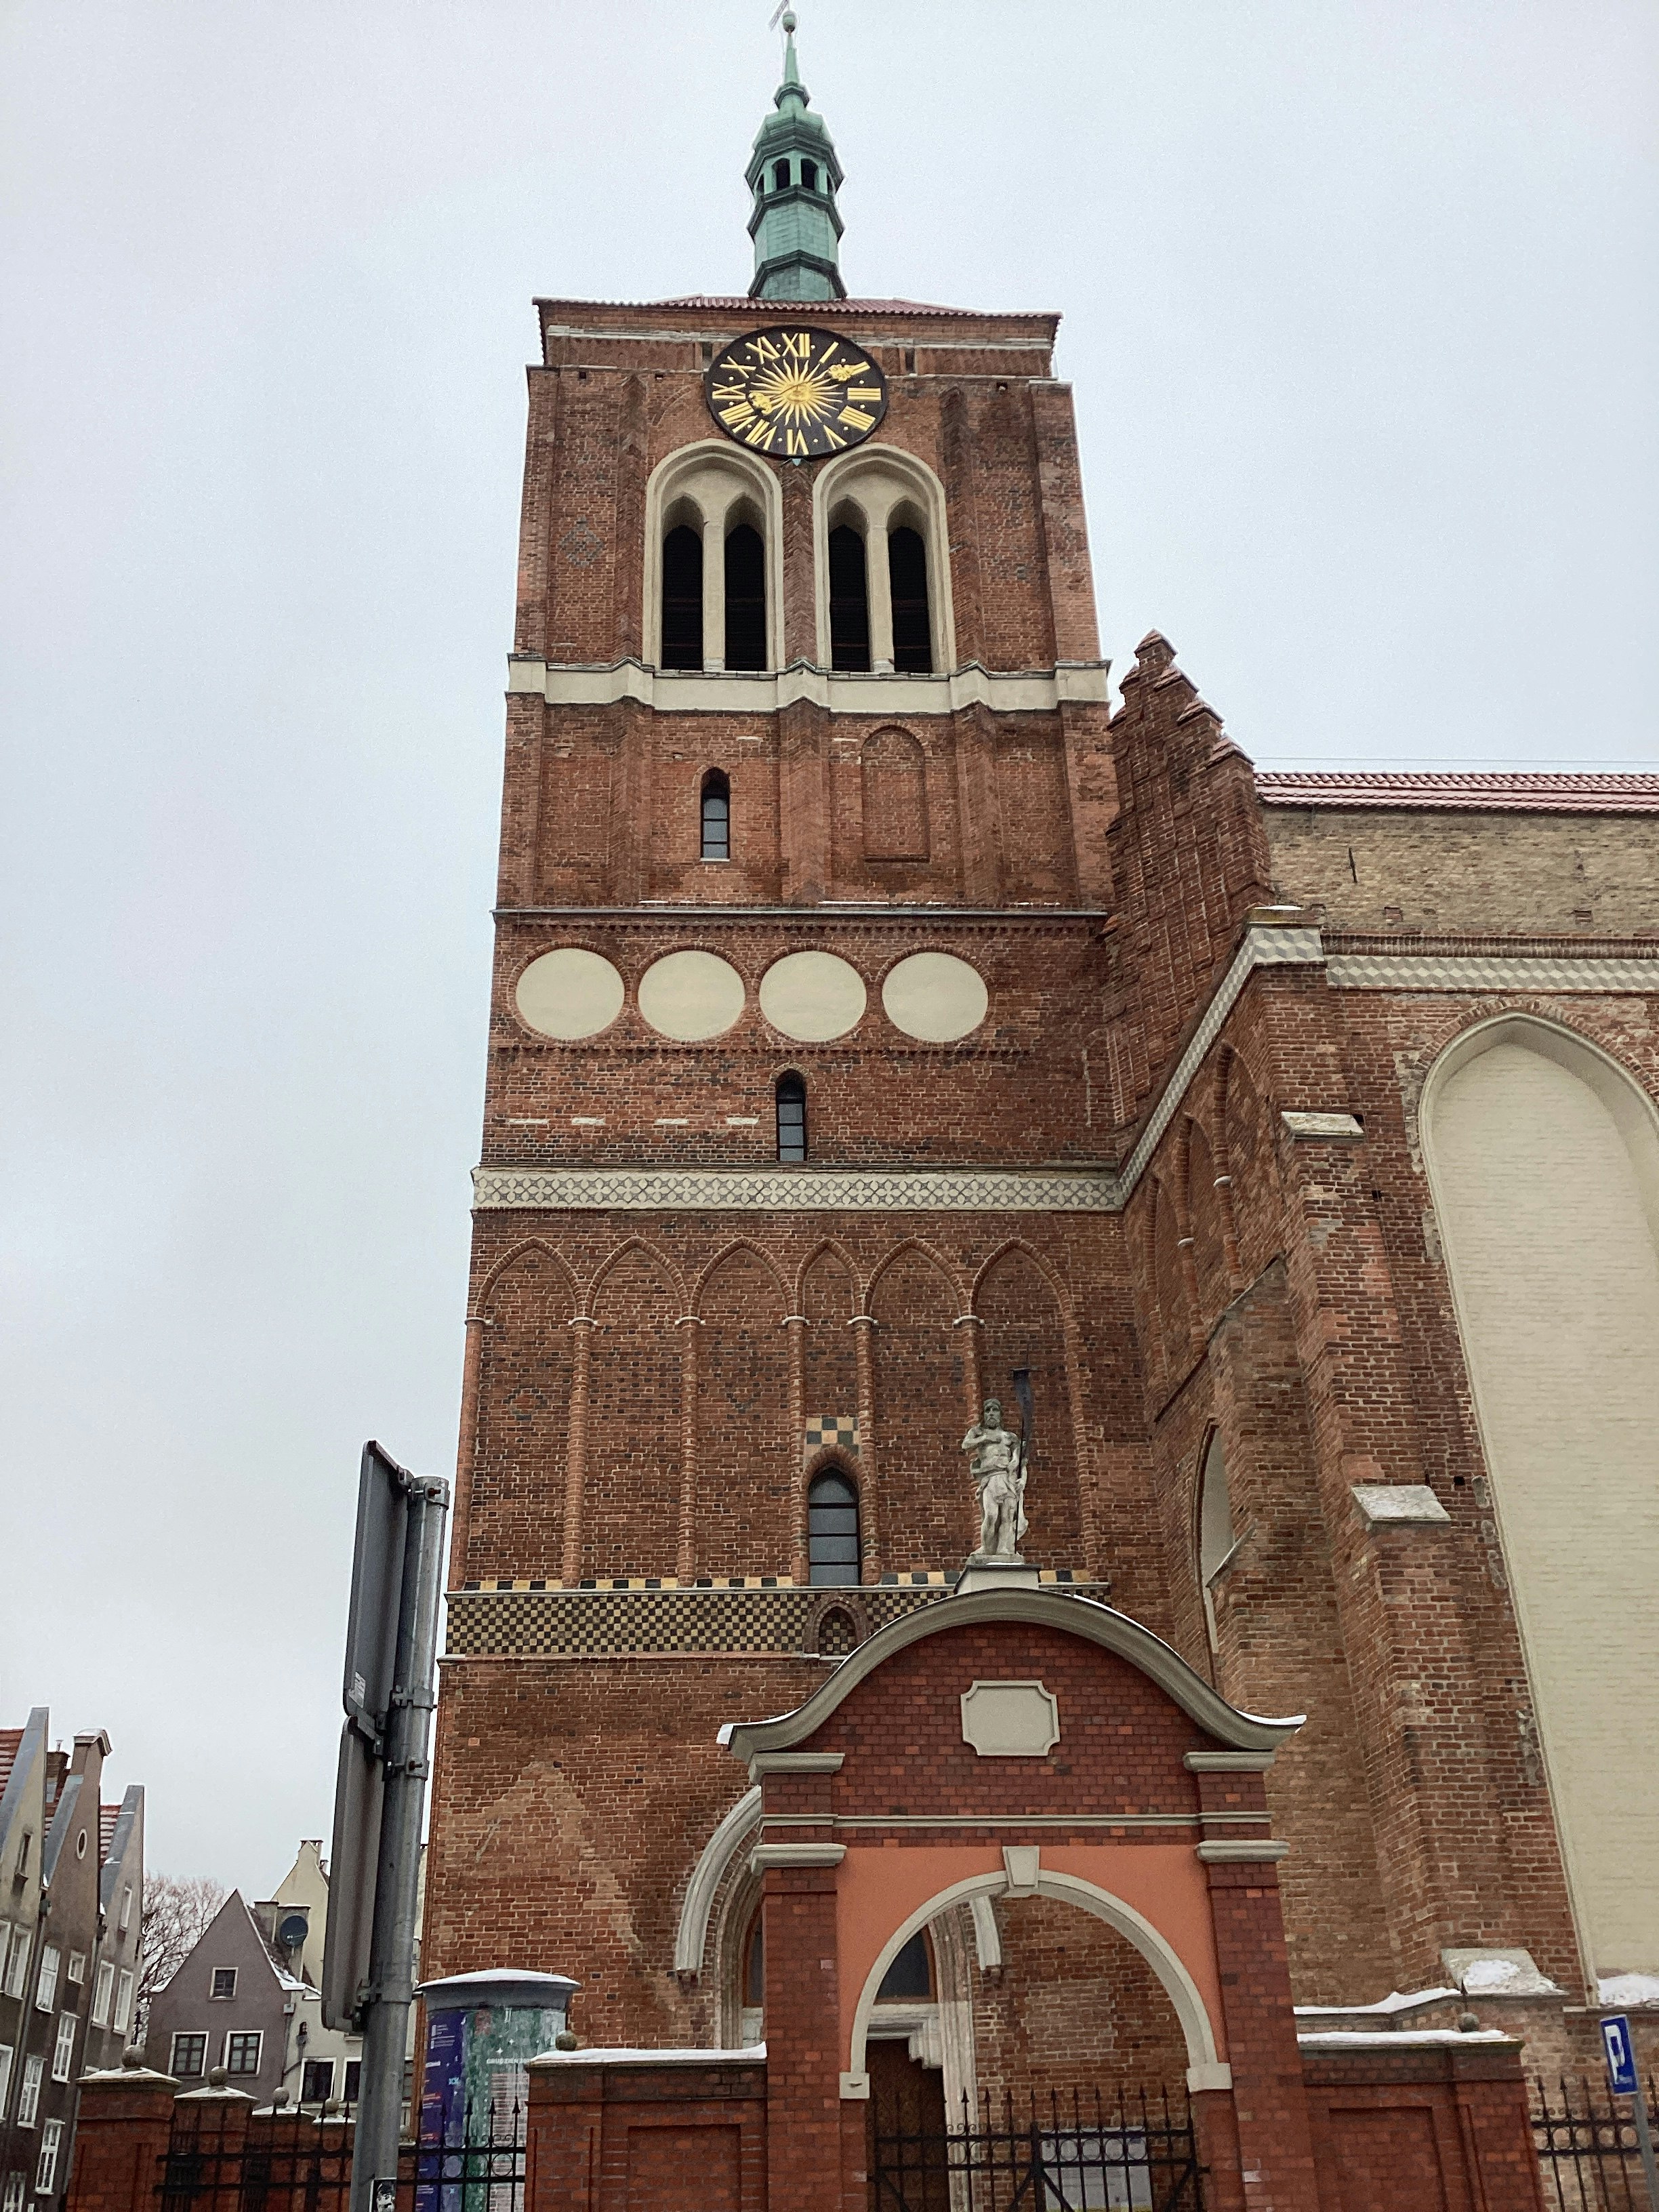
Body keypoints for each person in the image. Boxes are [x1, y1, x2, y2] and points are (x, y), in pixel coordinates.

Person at [961, 1397, 1028, 1560]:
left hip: (1007, 1479)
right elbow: (966, 1445)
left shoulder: (1010, 1437)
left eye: (995, 1410)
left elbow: (1020, 1463)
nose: (991, 1413)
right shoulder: (979, 1433)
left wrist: (1022, 1480)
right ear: (984, 1415)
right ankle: (987, 1547)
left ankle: (1003, 1549)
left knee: (1006, 1517)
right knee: (991, 1515)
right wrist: (985, 1439)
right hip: (990, 1478)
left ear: (1000, 1414)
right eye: (988, 1410)